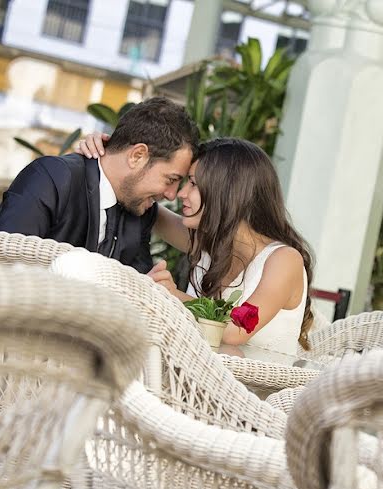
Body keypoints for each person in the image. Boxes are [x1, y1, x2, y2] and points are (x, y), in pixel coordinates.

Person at [78, 134, 314, 356]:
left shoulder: (283, 260)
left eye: (193, 183)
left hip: (256, 395)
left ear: (226, 193)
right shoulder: (209, 245)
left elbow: (236, 328)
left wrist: (174, 295)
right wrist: (110, 160)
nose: (181, 194)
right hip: (199, 384)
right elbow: (143, 201)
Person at [0, 97, 198, 273]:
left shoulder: (141, 212)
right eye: (171, 180)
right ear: (137, 155)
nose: (172, 195)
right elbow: (0, 265)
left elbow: (136, 287)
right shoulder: (52, 178)